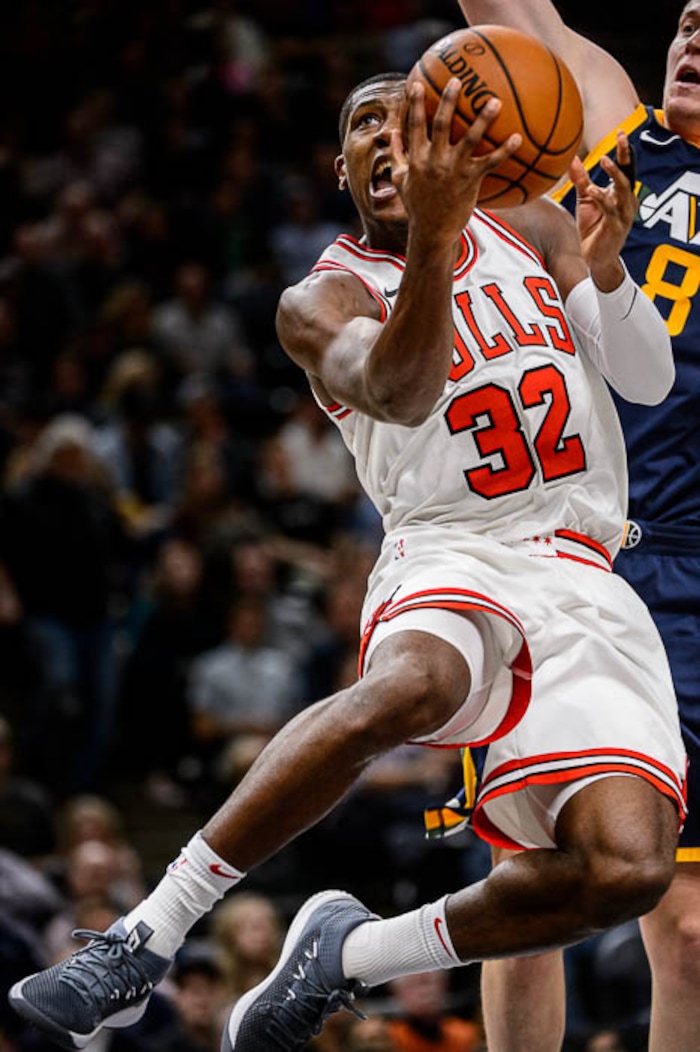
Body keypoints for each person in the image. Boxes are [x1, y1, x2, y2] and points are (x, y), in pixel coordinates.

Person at [7, 67, 687, 1052]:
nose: (388, 137)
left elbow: (647, 376)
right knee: (415, 684)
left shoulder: (536, 228)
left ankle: (350, 954)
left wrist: (610, 266)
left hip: (587, 569)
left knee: (625, 871)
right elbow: (401, 391)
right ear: (341, 168)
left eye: (407, 119)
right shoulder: (318, 298)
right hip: (452, 545)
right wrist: (439, 237)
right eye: (366, 125)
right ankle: (142, 935)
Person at [456, 3, 700, 1050]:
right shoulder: (611, 121)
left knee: (686, 928)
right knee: (530, 889)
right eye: (689, 20)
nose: (691, 33)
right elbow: (510, 10)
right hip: (566, 553)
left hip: (692, 576)